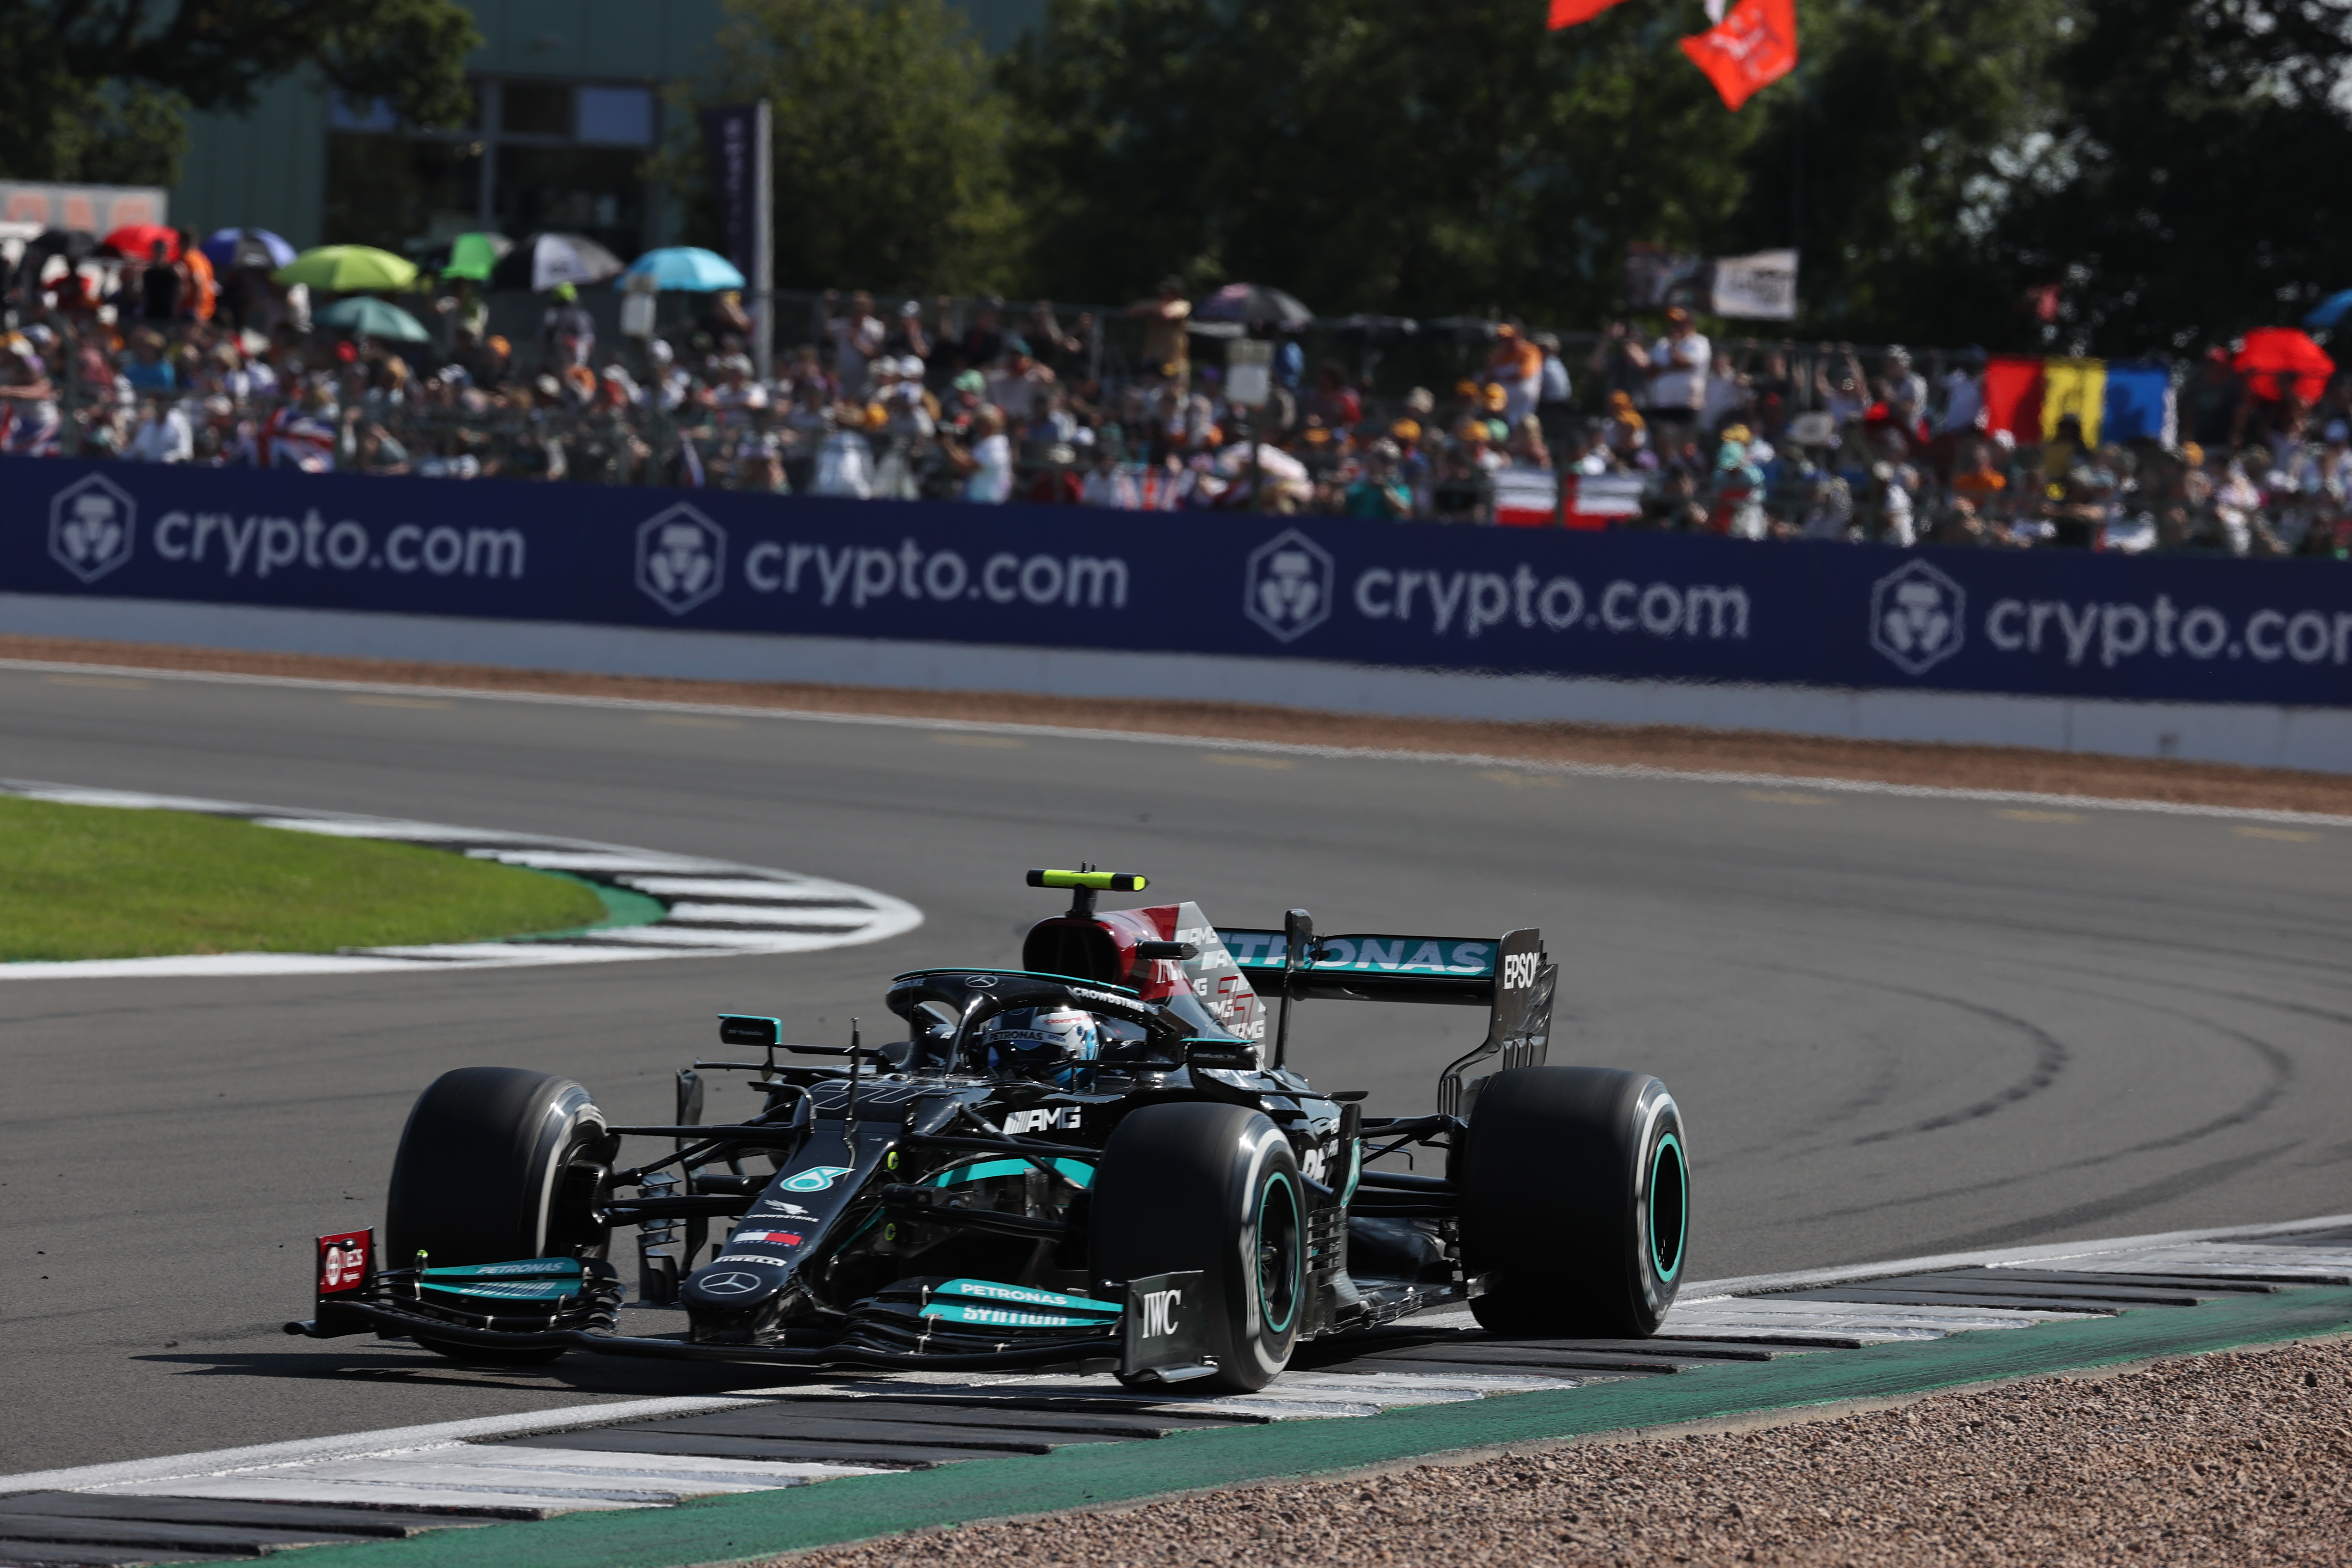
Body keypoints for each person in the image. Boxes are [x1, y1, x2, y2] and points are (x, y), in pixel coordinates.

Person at [1638, 307, 1709, 440]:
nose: (1675, 326)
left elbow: (1684, 364)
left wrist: (1674, 348)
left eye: (1679, 322)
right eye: (1673, 322)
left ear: (1690, 323)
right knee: (1662, 441)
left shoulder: (1699, 343)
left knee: (1684, 445)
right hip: (1662, 404)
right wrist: (1670, 366)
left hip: (1687, 404)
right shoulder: (1663, 344)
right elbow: (1651, 371)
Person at [1127, 277, 1191, 383]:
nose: (1164, 295)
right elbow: (1130, 311)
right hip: (1152, 358)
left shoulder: (1182, 305)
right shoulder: (1154, 304)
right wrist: (1153, 309)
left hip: (1171, 361)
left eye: (1168, 292)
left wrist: (1152, 311)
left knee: (1169, 387)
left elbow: (1168, 315)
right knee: (1149, 388)